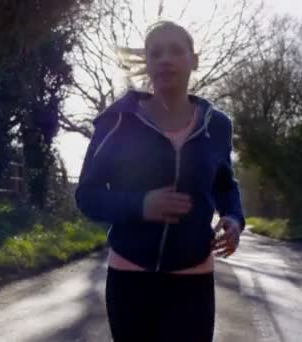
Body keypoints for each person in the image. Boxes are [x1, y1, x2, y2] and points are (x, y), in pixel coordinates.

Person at [75, 21, 245, 342]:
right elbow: (87, 195)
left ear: (193, 60)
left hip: (192, 278)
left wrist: (234, 219)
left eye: (176, 51)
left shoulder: (218, 125)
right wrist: (141, 205)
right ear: (148, 65)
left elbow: (224, 185)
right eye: (156, 53)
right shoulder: (117, 121)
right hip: (130, 277)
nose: (165, 59)